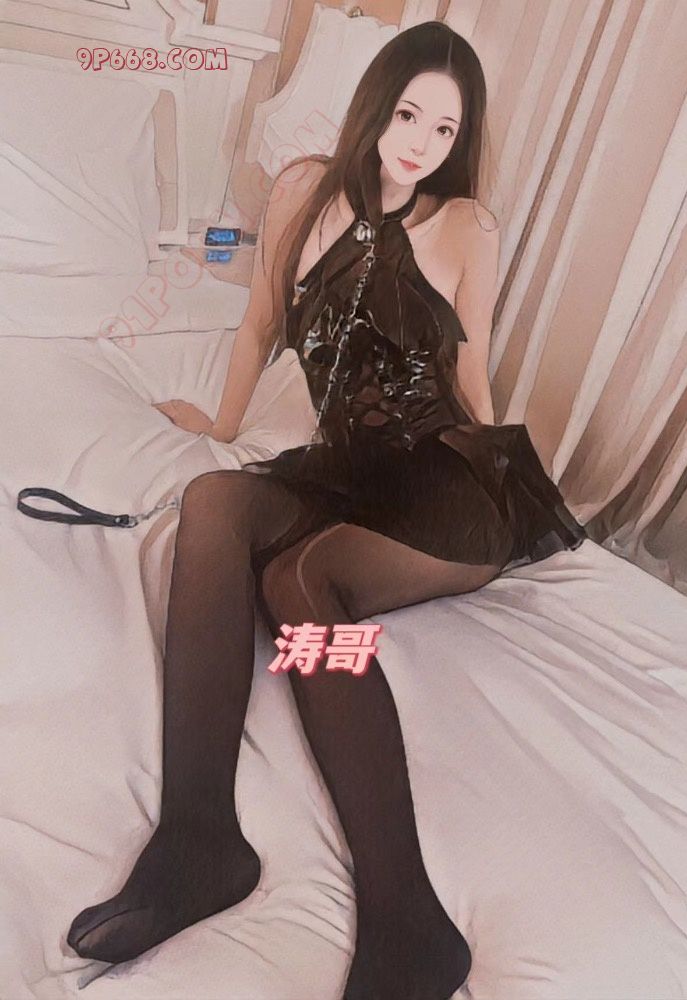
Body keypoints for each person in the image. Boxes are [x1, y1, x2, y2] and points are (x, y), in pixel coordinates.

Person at [67, 21, 586, 1000]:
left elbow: (471, 371)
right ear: (375, 104)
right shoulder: (303, 191)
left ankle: (408, 917)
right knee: (216, 501)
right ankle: (199, 837)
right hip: (347, 467)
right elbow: (262, 319)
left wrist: (506, 482)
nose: (420, 143)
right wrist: (222, 424)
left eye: (444, 128)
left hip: (443, 482)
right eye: (408, 115)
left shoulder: (465, 226)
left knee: (300, 582)